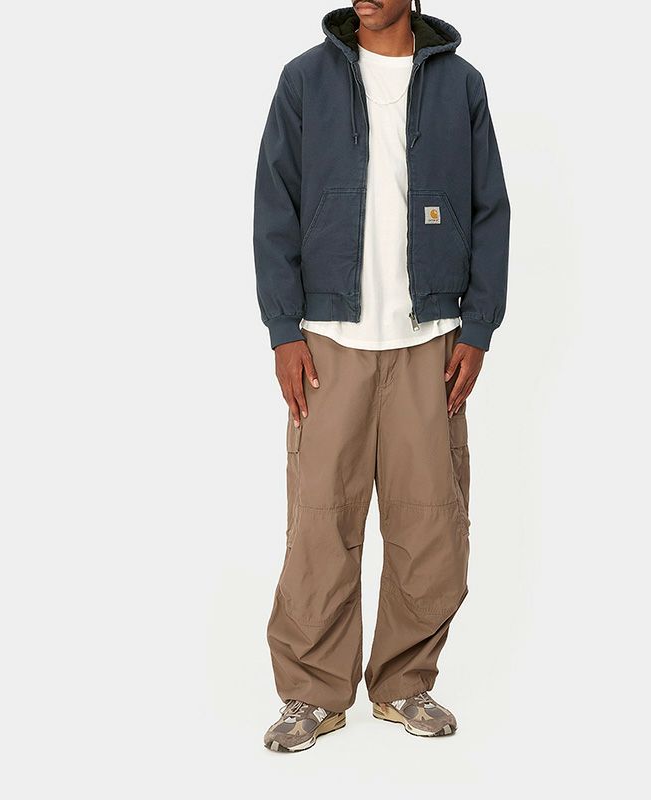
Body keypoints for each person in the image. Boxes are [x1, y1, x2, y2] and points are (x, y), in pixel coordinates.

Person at [253, 0, 509, 752]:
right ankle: (312, 694)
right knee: (319, 525)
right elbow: (274, 204)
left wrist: (478, 328)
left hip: (430, 341)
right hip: (328, 340)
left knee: (430, 525)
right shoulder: (304, 81)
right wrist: (283, 330)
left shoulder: (461, 85)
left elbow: (490, 210)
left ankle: (404, 684)